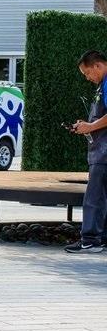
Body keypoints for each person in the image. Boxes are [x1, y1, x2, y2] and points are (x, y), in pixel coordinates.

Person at [66, 50, 107, 253]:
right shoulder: (103, 85)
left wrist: (89, 127)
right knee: (103, 197)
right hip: (101, 151)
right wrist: (86, 125)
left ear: (97, 66)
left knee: (94, 196)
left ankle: (90, 240)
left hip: (103, 153)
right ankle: (100, 238)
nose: (88, 78)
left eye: (87, 73)